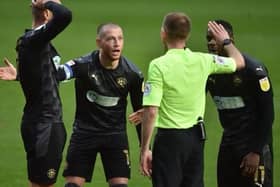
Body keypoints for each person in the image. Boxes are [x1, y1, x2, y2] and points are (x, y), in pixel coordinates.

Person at [139, 12, 245, 187]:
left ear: (163, 33)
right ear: (187, 35)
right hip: (195, 139)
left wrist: (145, 150)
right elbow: (238, 61)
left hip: (169, 140)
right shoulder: (204, 60)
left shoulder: (158, 65)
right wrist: (226, 41)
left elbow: (151, 111)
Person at [56, 23, 144, 187]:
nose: (117, 43)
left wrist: (145, 148)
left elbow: (140, 113)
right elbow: (57, 74)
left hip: (115, 135)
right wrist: (20, 75)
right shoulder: (83, 64)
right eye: (111, 39)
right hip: (84, 133)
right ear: (99, 42)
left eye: (120, 38)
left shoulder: (133, 74)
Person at [0, 0, 72, 187]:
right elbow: (65, 15)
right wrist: (47, 2)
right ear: (48, 14)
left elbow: (45, 76)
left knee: (37, 182)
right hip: (46, 125)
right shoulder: (36, 39)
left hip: (36, 121)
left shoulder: (30, 40)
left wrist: (19, 76)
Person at [206, 19, 274, 187]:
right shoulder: (210, 70)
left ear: (231, 40)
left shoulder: (253, 70)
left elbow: (267, 114)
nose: (212, 43)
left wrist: (256, 151)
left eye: (217, 38)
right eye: (209, 38)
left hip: (253, 146)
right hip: (229, 144)